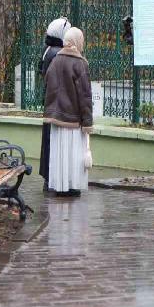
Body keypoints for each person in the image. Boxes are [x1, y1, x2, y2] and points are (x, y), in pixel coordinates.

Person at [43, 27, 92, 197]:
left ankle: (59, 185)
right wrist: (87, 122)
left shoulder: (55, 60)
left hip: (57, 118)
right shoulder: (80, 63)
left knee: (59, 154)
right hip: (73, 119)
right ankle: (72, 185)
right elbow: (85, 95)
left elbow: (48, 84)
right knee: (73, 155)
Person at [38, 17, 71, 192]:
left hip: (49, 101)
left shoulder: (47, 49)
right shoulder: (58, 53)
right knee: (54, 141)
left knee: (48, 140)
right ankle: (53, 179)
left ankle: (47, 177)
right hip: (57, 103)